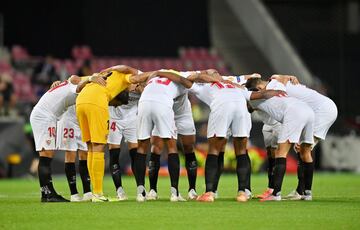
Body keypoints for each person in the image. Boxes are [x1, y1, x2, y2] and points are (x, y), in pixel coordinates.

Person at [153, 72, 285, 202]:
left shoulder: (204, 86)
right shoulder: (233, 84)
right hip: (241, 108)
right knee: (241, 151)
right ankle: (243, 192)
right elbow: (259, 94)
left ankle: (209, 193)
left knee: (214, 150)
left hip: (222, 107)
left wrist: (162, 73)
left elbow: (181, 79)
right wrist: (277, 92)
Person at [76, 65, 154, 202]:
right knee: (99, 147)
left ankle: (95, 192)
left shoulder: (105, 75)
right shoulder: (125, 77)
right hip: (99, 105)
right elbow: (132, 72)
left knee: (90, 147)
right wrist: (157, 73)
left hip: (81, 101)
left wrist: (90, 77)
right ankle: (98, 194)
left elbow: (75, 82)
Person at [30, 74, 105, 202]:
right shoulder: (72, 87)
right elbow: (78, 85)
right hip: (44, 117)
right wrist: (89, 79)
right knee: (45, 156)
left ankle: (48, 192)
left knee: (47, 155)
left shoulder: (65, 84)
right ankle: (47, 194)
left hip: (46, 116)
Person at [262, 74, 338, 200]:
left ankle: (302, 192)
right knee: (303, 149)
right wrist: (286, 76)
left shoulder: (273, 85)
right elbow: (280, 77)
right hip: (322, 108)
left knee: (302, 149)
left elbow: (274, 79)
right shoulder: (285, 83)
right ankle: (303, 191)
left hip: (322, 111)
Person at [245, 77, 315, 201]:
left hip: (293, 112)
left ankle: (275, 194)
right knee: (306, 153)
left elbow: (248, 108)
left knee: (280, 153)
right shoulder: (277, 87)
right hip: (308, 111)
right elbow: (282, 79)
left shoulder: (257, 97)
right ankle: (307, 193)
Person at [107, 83, 144, 201]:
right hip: (113, 119)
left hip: (132, 120)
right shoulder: (118, 82)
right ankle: (119, 190)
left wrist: (141, 89)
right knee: (114, 154)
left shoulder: (142, 87)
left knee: (135, 154)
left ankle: (140, 189)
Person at [57, 105, 92, 202]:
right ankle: (74, 193)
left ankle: (87, 192)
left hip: (83, 119)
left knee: (85, 153)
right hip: (69, 119)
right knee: (70, 153)